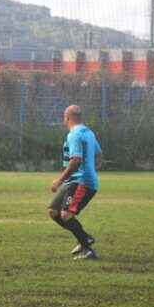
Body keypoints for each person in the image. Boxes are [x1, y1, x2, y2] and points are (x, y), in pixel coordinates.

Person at [49, 105, 102, 260]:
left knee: (65, 215)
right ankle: (84, 238)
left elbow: (76, 161)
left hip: (81, 182)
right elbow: (99, 155)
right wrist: (92, 169)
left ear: (67, 118)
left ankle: (86, 247)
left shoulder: (74, 135)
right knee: (54, 211)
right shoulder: (89, 132)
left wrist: (59, 180)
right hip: (74, 181)